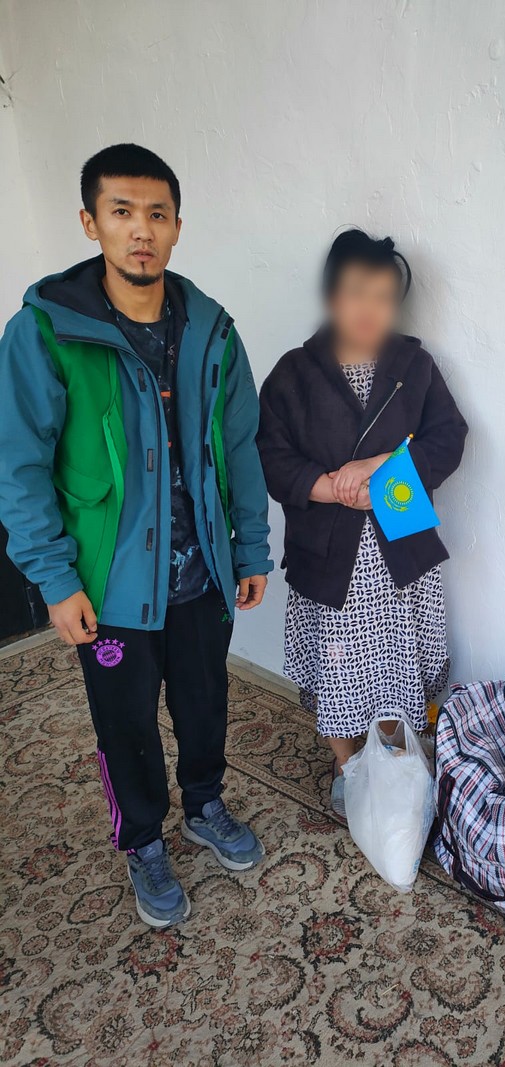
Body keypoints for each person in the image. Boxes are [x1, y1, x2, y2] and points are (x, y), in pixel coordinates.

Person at [0, 144, 273, 927]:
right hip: (111, 580)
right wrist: (56, 580)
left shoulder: (212, 330)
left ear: (178, 226)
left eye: (157, 214)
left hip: (203, 571)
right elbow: (19, 465)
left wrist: (249, 546)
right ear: (91, 223)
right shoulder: (46, 332)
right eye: (121, 211)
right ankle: (145, 840)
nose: (141, 230)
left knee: (205, 700)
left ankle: (205, 802)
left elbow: (241, 446)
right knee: (124, 722)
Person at [257, 229, 467, 817]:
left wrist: (378, 468)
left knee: (398, 660)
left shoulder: (413, 366)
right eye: (356, 292)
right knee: (340, 665)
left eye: (383, 296)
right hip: (330, 549)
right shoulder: (295, 372)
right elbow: (271, 456)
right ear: (331, 296)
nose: (370, 308)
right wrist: (332, 486)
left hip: (400, 539)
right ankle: (347, 764)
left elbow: (448, 438)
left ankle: (396, 758)